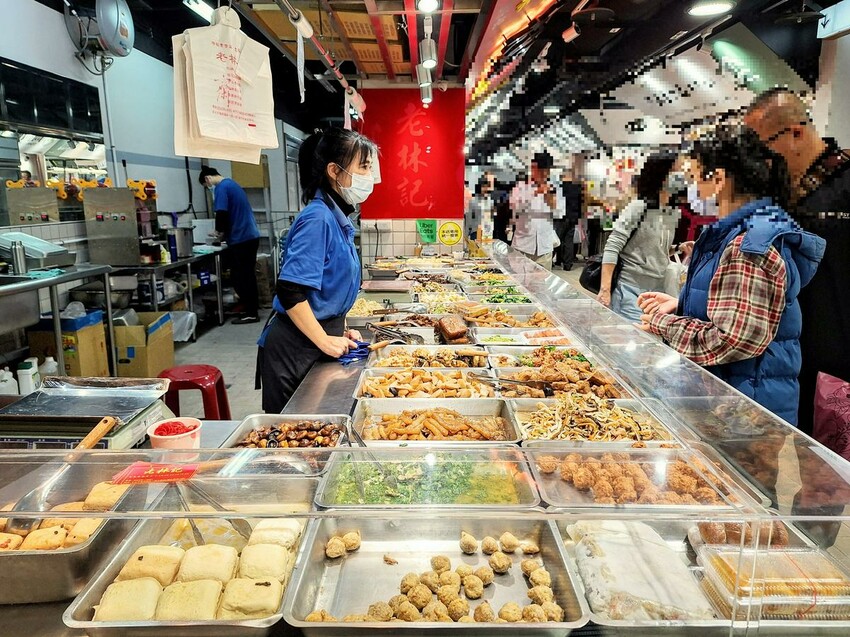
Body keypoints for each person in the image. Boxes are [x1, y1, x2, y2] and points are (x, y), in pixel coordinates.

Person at [637, 125, 825, 426]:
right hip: (736, 402)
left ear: (719, 179)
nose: (692, 188)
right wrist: (682, 304)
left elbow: (732, 340)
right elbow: (745, 312)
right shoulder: (750, 230)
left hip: (741, 414)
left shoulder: (748, 246)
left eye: (695, 177)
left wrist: (663, 323)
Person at [744, 88, 850, 436]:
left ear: (796, 132)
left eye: (763, 148)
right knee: (804, 467)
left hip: (837, 362)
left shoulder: (844, 183)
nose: (758, 160)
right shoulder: (775, 196)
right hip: (785, 361)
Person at [257, 128, 377, 414]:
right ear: (335, 171)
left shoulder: (337, 217)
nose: (369, 175)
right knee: (296, 439)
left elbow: (324, 288)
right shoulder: (317, 218)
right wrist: (323, 338)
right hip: (295, 348)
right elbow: (290, 290)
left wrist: (341, 329)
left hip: (316, 338)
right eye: (363, 166)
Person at [596, 154, 683, 322]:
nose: (682, 176)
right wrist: (605, 289)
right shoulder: (638, 207)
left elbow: (656, 250)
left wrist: (678, 249)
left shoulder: (672, 212)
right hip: (630, 289)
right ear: (661, 175)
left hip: (657, 293)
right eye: (676, 171)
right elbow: (613, 246)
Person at [199, 166, 261, 325]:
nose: (209, 189)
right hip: (249, 236)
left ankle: (251, 313)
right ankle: (249, 307)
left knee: (241, 276)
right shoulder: (232, 184)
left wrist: (218, 231)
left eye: (207, 187)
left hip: (242, 238)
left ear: (207, 179)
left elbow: (222, 213)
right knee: (245, 275)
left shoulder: (221, 187)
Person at [509, 152, 565, 269]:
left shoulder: (554, 189)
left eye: (546, 171)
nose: (544, 174)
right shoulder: (521, 187)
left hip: (544, 247)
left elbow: (560, 214)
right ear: (533, 167)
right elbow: (515, 208)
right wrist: (534, 192)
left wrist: (551, 199)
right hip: (522, 246)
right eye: (540, 170)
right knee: (520, 284)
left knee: (542, 284)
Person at [557, 172, 583, 270]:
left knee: (557, 239)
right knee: (569, 241)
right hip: (573, 217)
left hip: (561, 217)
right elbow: (581, 204)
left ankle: (557, 260)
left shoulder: (560, 187)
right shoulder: (578, 188)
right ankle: (567, 264)